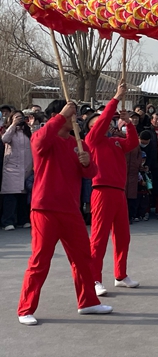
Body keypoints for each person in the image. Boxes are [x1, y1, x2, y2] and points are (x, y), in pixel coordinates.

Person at [17, 100, 112, 325]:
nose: (76, 119)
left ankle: (88, 301)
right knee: (40, 260)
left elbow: (90, 173)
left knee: (82, 258)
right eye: (72, 115)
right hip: (45, 208)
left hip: (70, 209)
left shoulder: (77, 143)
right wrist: (60, 116)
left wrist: (87, 163)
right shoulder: (43, 137)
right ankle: (25, 308)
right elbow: (38, 143)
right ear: (57, 116)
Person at [85, 83, 141, 295]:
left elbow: (132, 142)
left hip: (119, 192)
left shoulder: (116, 142)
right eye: (98, 121)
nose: (104, 123)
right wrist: (116, 98)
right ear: (92, 126)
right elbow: (102, 122)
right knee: (98, 238)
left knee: (123, 236)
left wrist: (128, 123)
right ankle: (94, 279)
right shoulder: (92, 140)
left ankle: (120, 274)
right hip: (101, 191)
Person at [1, 111, 33, 230]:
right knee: (11, 196)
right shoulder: (10, 130)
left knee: (23, 197)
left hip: (26, 167)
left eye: (21, 117)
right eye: (16, 117)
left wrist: (32, 126)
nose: (19, 119)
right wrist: (13, 125)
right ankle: (8, 221)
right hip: (12, 167)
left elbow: (36, 141)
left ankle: (23, 220)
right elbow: (4, 139)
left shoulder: (27, 132)